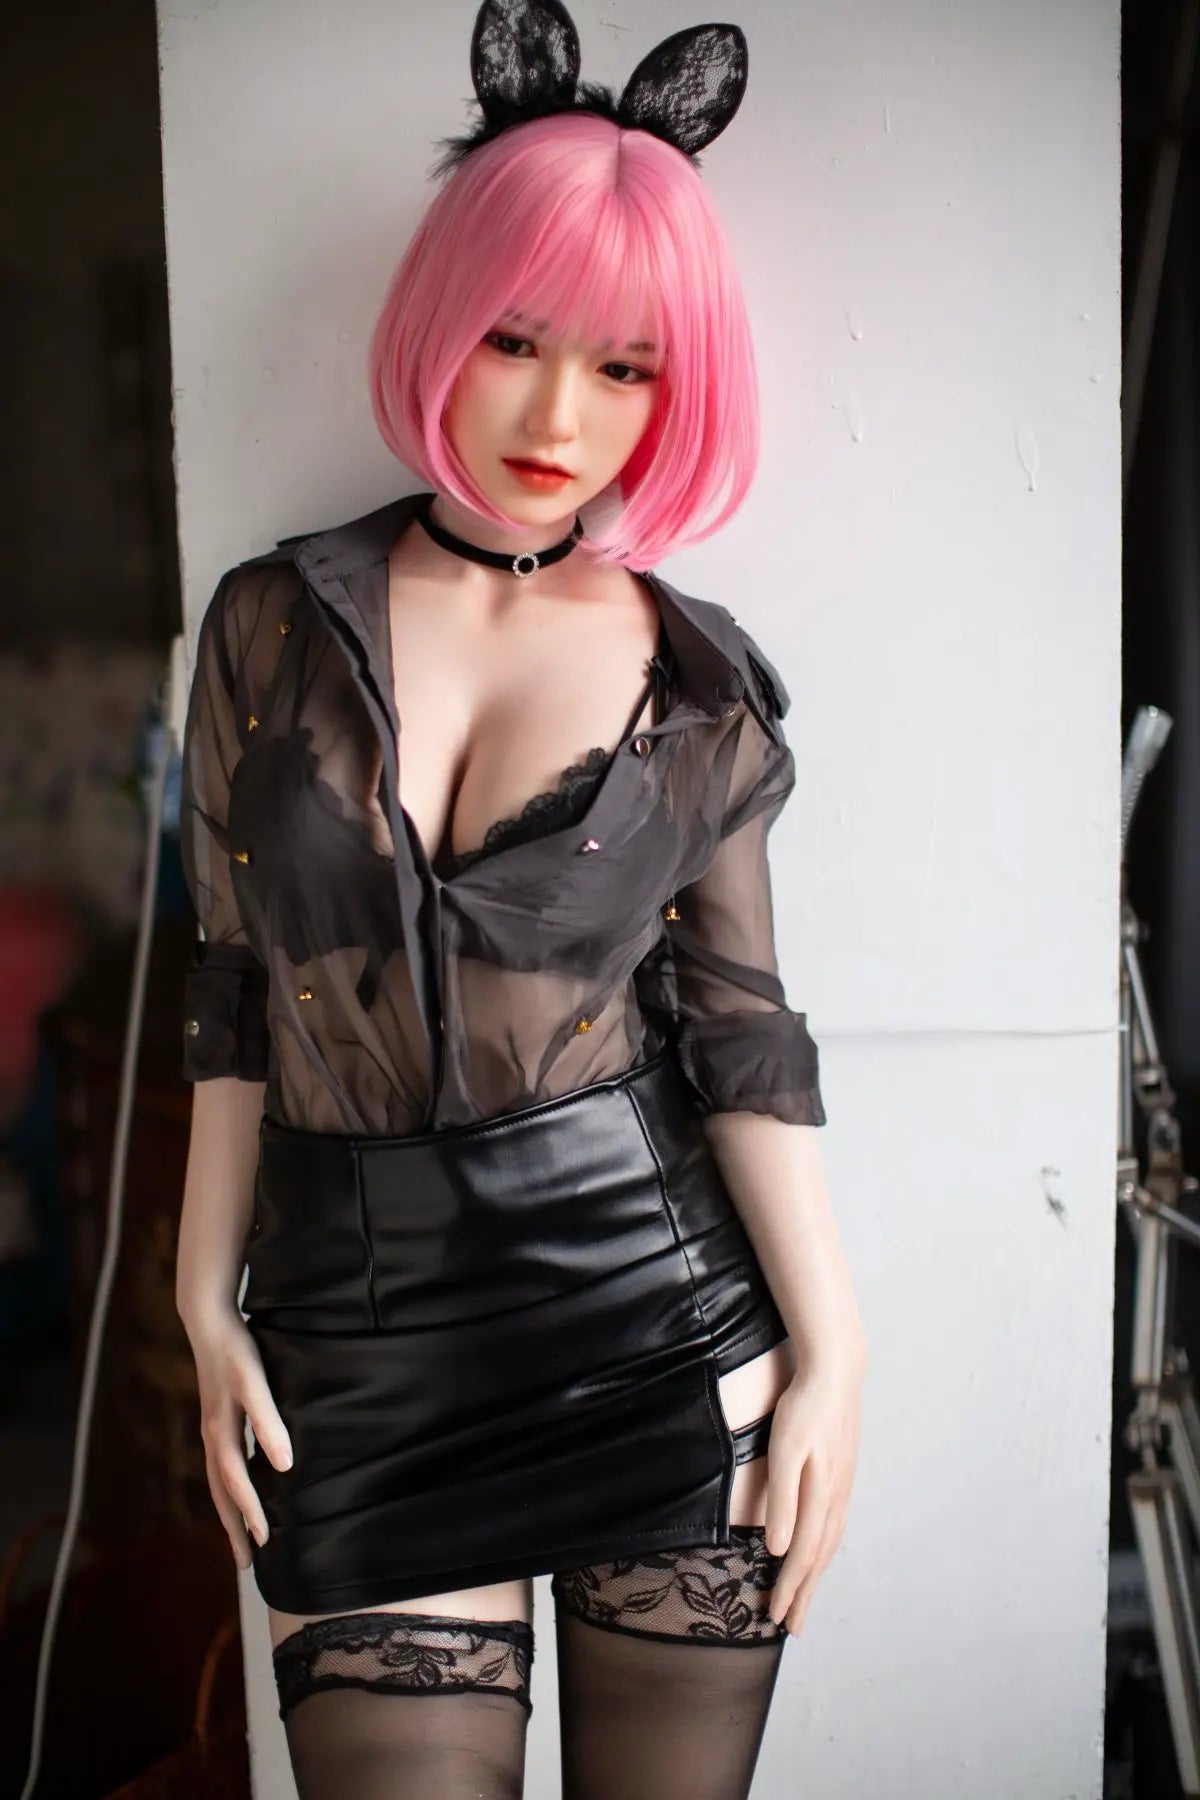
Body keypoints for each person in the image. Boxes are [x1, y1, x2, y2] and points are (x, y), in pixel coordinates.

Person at [173, 4, 867, 1795]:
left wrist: (838, 1347)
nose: (562, 416)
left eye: (627, 368)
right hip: (353, 1347)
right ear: (441, 320)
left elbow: (740, 1032)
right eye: (514, 340)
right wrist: (199, 1294)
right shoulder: (268, 624)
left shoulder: (696, 682)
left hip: (662, 1332)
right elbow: (231, 981)